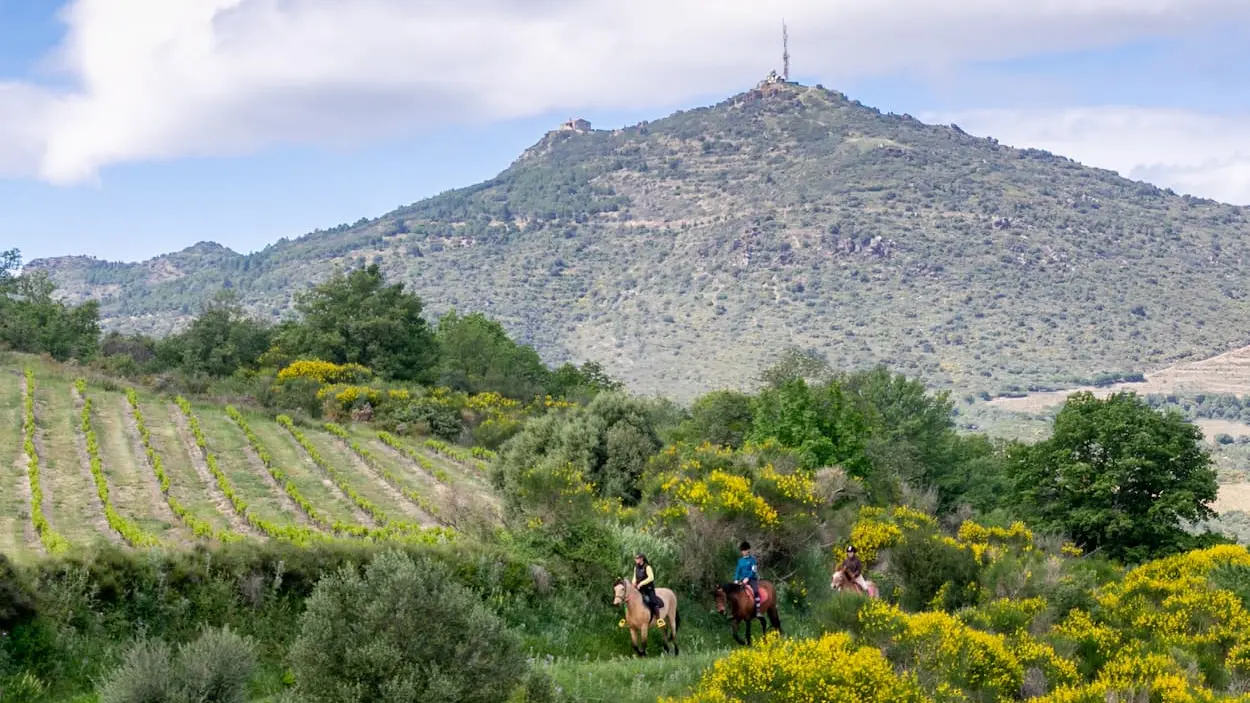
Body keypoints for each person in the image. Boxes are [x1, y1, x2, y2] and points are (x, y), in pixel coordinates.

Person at [734, 541, 761, 616]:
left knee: (755, 591)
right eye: (742, 550)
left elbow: (754, 571)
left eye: (745, 550)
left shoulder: (753, 560)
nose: (743, 552)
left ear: (748, 550)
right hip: (742, 580)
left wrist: (748, 578)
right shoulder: (740, 561)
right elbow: (737, 571)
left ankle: (758, 610)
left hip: (752, 579)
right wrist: (736, 579)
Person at [632, 553, 661, 622]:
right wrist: (633, 583)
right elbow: (634, 577)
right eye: (635, 558)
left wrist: (641, 583)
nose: (636, 560)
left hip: (648, 588)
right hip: (639, 589)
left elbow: (651, 578)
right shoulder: (636, 567)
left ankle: (659, 619)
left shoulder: (647, 567)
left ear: (642, 559)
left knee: (652, 601)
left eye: (637, 558)